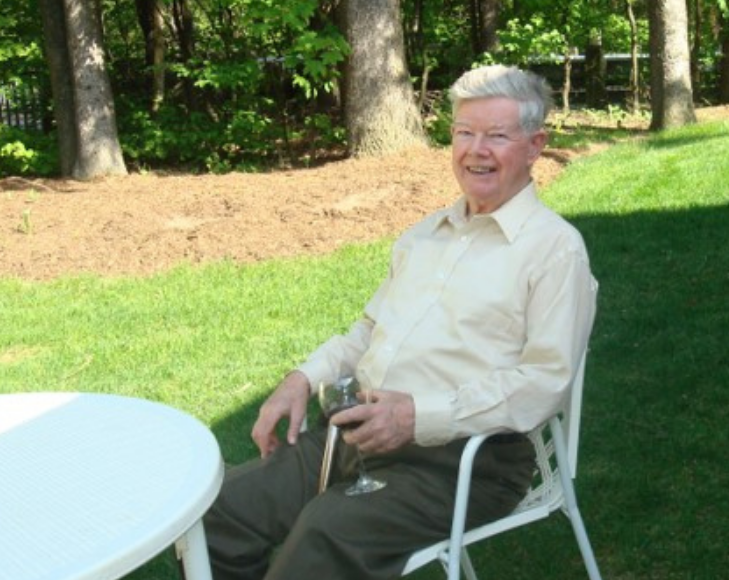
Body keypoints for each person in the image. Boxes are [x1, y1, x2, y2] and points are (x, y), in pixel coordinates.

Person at [203, 64, 598, 580]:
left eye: (496, 136)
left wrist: (418, 417)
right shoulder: (424, 237)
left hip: (465, 462)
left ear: (534, 145)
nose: (476, 149)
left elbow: (543, 383)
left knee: (326, 533)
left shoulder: (554, 251)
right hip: (358, 434)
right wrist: (303, 377)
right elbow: (368, 330)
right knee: (220, 510)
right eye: (463, 133)